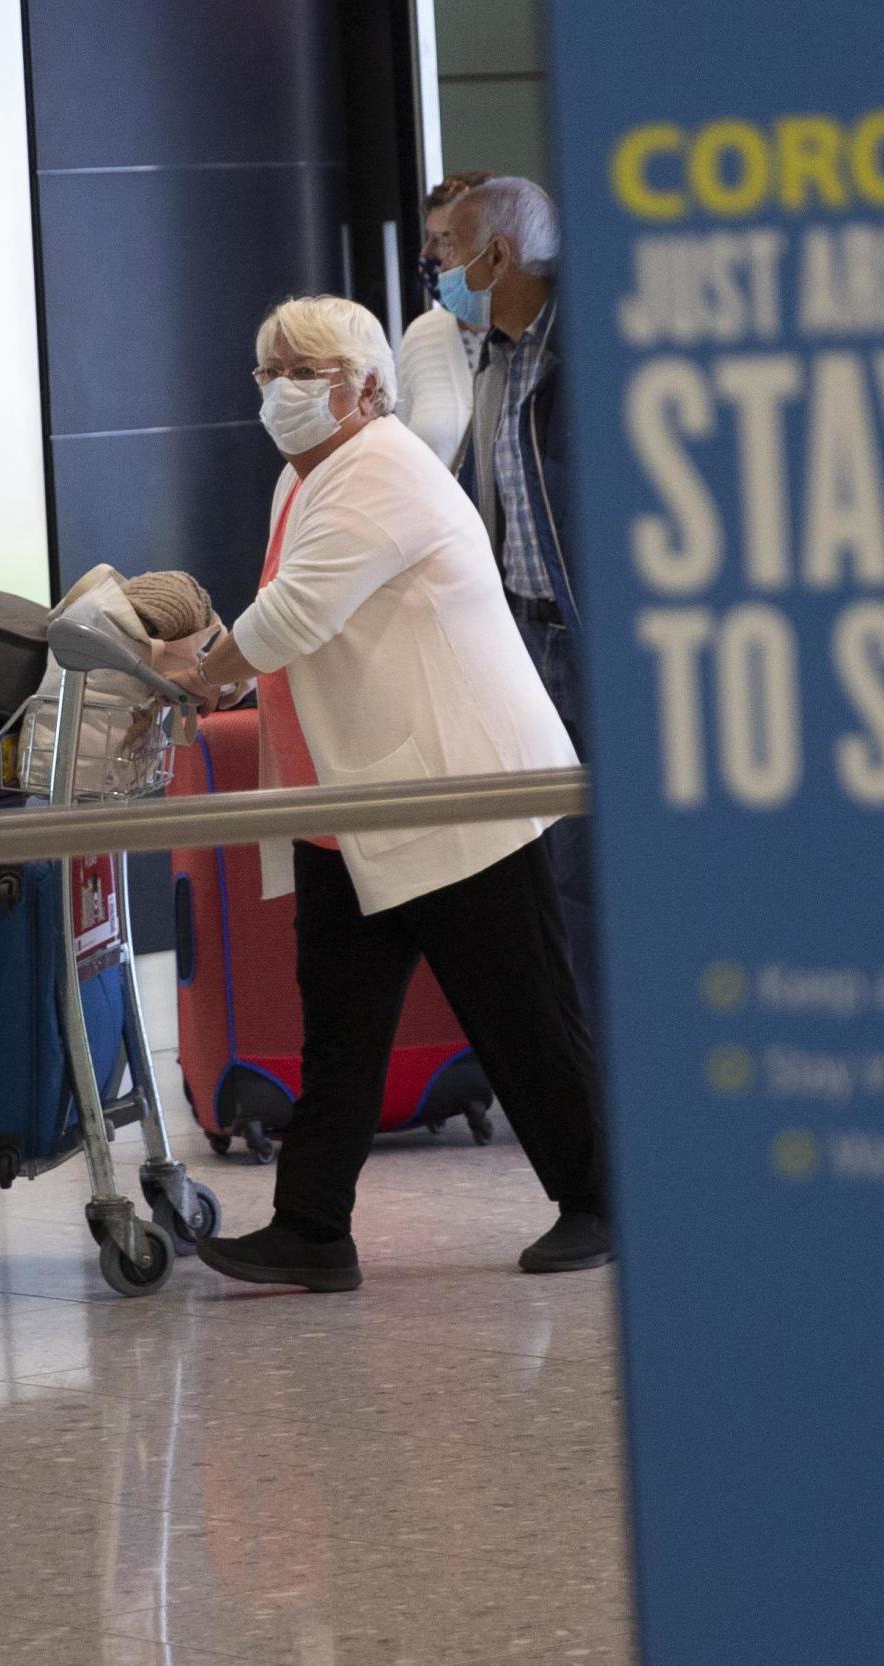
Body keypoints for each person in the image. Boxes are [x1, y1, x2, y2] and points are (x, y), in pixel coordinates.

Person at [173, 295, 610, 1292]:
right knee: (341, 1023)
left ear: (364, 386)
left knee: (523, 1012)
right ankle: (312, 1227)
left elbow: (291, 614)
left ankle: (603, 1199)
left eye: (301, 371)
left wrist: (199, 665)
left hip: (453, 788)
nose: (277, 389)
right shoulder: (308, 477)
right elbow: (290, 626)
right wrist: (219, 665)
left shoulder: (380, 468)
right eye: (266, 370)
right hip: (355, 804)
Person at [446, 175, 601, 1034]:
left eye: (449, 249)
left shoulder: (587, 345)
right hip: (525, 645)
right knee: (549, 867)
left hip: (591, 648)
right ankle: (581, 1057)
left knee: (582, 871)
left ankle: (608, 1068)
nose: (439, 267)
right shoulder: (495, 358)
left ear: (495, 254)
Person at [395, 169, 492, 470]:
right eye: (431, 240)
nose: (431, 255)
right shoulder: (421, 335)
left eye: (445, 240)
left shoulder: (542, 337)